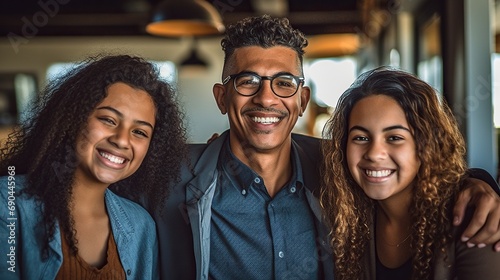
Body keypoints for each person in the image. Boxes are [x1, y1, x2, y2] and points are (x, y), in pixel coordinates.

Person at [145, 15, 500, 280]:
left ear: (302, 101)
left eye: (284, 83)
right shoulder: (170, 172)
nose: (266, 98)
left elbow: (410, 171)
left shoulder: (340, 166)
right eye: (247, 81)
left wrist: (477, 183)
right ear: (223, 98)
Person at [0, 54, 186, 279]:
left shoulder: (141, 226)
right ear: (74, 118)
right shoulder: (8, 202)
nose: (121, 140)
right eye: (108, 120)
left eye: (140, 132)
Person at [320, 66, 500, 279]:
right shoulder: (351, 215)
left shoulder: (474, 218)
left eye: (395, 137)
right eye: (360, 137)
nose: (375, 153)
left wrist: (476, 180)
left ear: (426, 145)